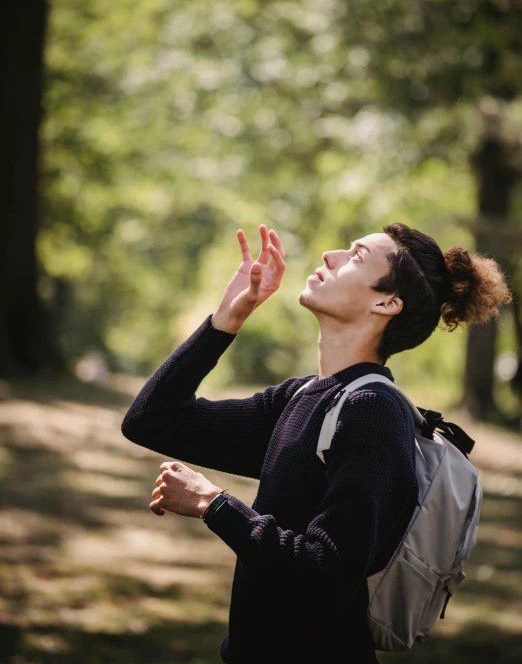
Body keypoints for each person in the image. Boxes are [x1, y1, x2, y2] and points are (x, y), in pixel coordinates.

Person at [121, 222, 511, 664]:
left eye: (357, 256)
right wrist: (226, 319)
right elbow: (153, 420)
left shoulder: (372, 413)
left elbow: (326, 568)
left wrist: (215, 505)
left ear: (387, 303)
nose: (330, 254)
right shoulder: (303, 396)